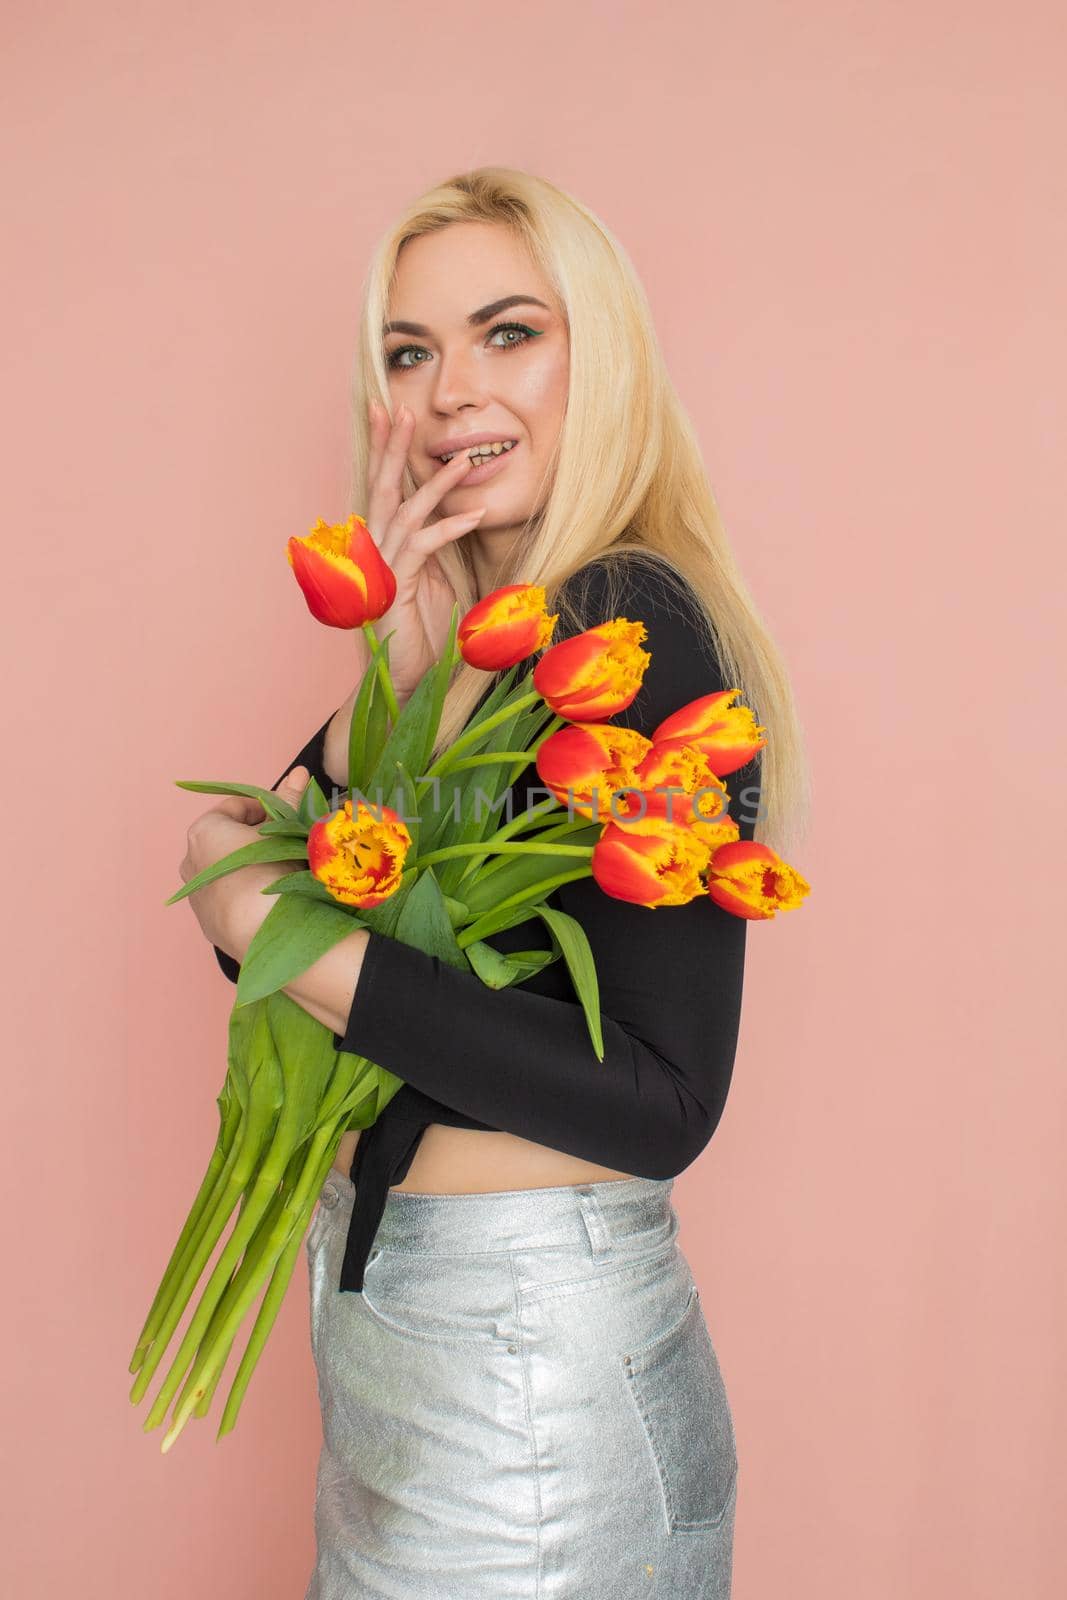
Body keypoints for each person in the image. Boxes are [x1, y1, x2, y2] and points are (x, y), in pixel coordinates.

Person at [179, 167, 810, 1599]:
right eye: (411, 352)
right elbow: (250, 878)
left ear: (605, 359)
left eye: (508, 332)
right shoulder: (483, 649)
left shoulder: (632, 619)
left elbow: (661, 1100)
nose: (452, 388)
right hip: (409, 1350)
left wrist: (294, 935)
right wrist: (393, 678)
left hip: (528, 1377)